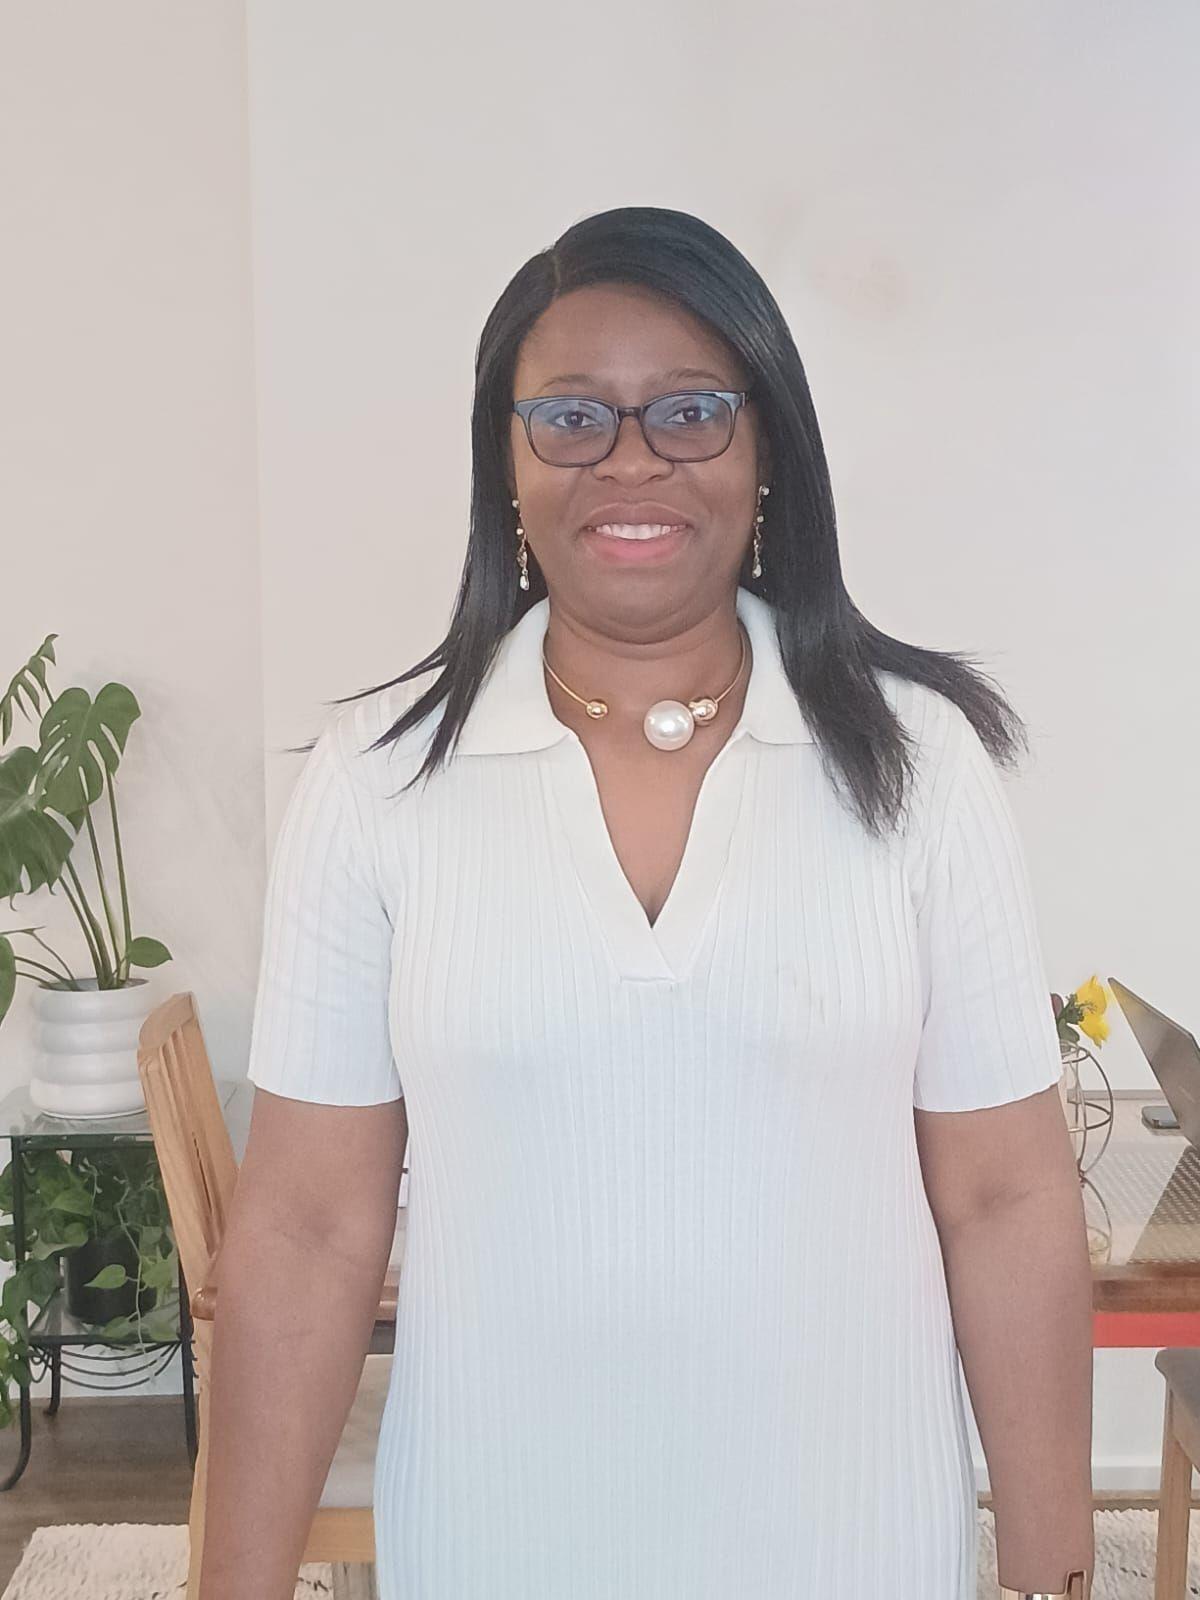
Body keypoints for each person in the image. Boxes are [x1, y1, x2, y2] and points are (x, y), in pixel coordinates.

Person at [205, 206, 1095, 1599]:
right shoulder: (373, 784)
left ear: (768, 454)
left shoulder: (924, 767)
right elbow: (309, 1231)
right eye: (571, 417)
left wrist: (1059, 1578)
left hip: (856, 1549)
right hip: (498, 1546)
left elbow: (1008, 1199)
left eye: (689, 410)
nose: (630, 459)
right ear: (506, 458)